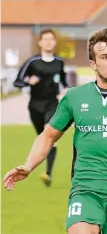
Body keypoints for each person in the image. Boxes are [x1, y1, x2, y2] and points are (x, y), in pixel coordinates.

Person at [4, 28, 107, 234]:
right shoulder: (75, 97)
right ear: (93, 65)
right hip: (85, 190)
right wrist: (28, 165)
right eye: (105, 57)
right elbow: (48, 136)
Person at [12, 28, 69, 187]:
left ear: (55, 42)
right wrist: (28, 81)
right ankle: (37, 166)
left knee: (50, 134)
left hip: (53, 104)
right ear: (40, 42)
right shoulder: (32, 62)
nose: (49, 42)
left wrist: (66, 89)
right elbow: (17, 81)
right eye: (46, 39)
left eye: (51, 39)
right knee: (43, 139)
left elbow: (64, 81)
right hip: (35, 105)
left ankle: (48, 173)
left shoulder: (59, 62)